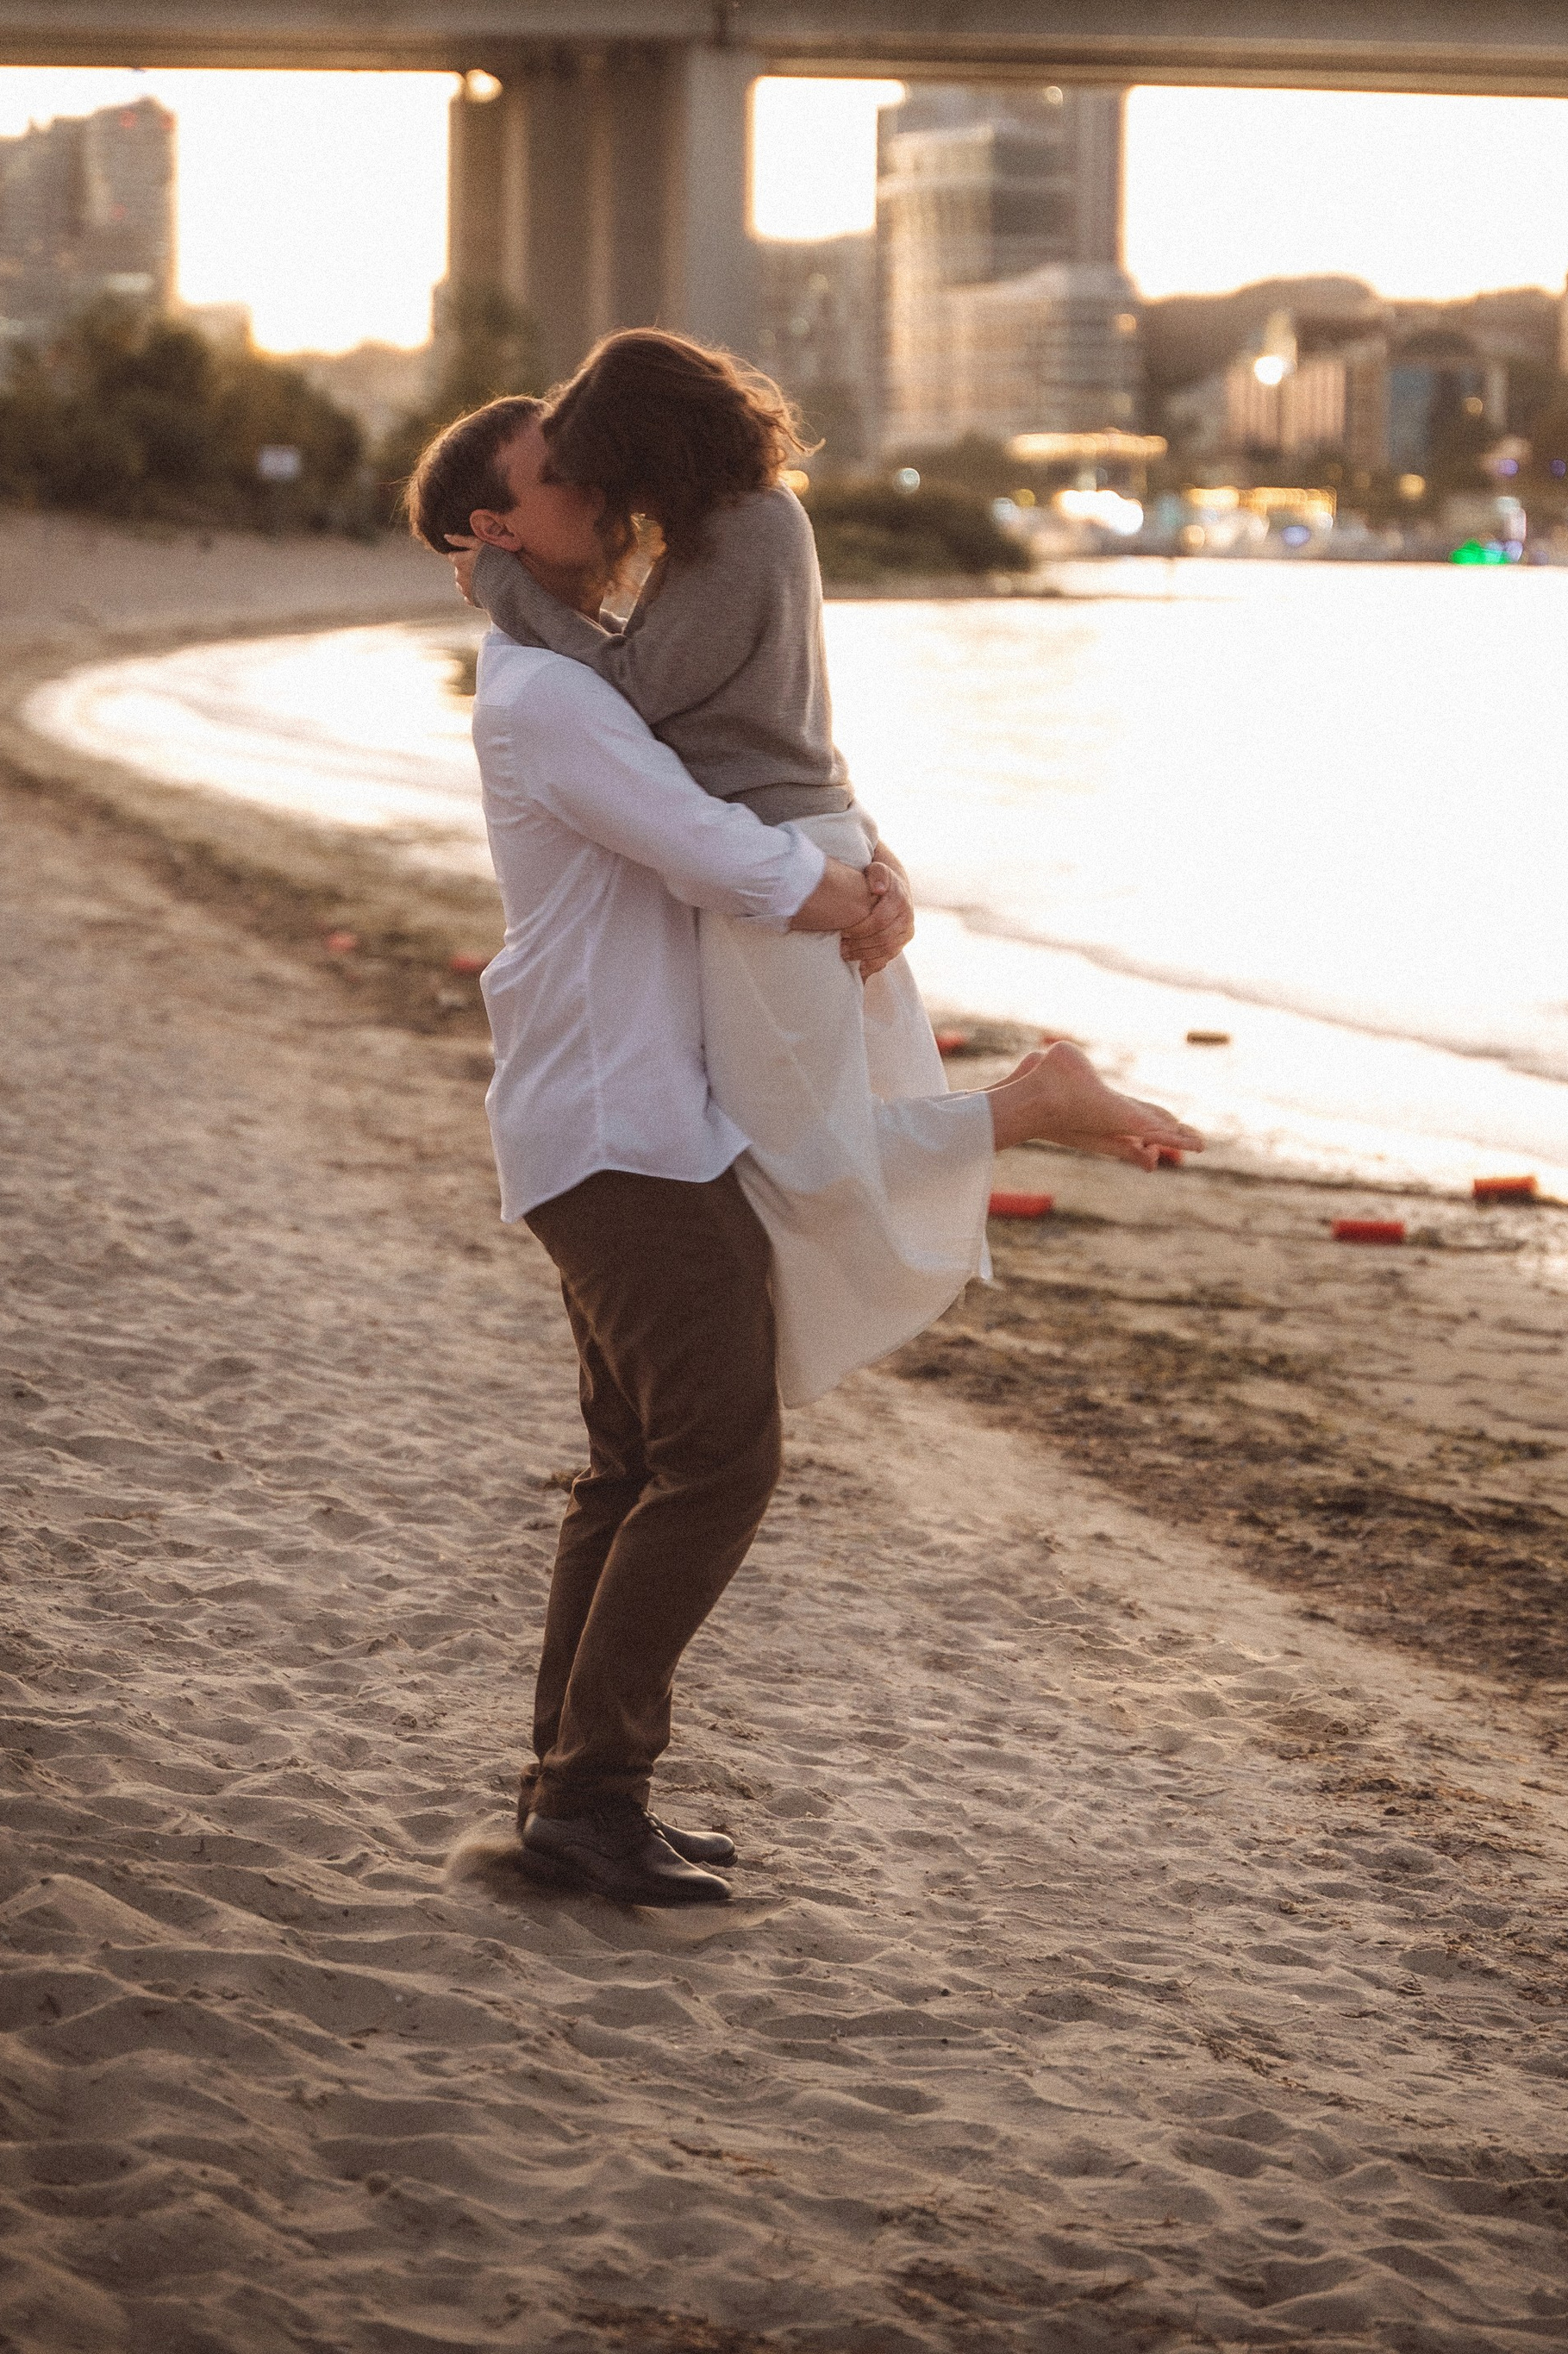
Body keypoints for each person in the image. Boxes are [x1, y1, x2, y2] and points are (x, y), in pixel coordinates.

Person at [408, 393, 1196, 1909]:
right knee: (717, 1457)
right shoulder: (544, 701)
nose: (592, 483)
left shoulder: (581, 674)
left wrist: (864, 867)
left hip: (631, 1116)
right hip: (615, 1130)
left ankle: (575, 1792)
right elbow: (714, 847)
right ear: (497, 528)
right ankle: (586, 1798)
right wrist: (850, 900)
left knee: (633, 1465)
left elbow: (743, 767)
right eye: (555, 476)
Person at [459, 329, 1199, 1408]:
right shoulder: (727, 528)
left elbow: (638, 691)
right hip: (796, 843)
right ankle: (1028, 1105)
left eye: (599, 464)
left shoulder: (748, 528)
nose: (602, 493)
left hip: (787, 863)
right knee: (791, 1143)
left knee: (806, 1150)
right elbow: (730, 715)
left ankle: (1036, 1103)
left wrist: (503, 592)